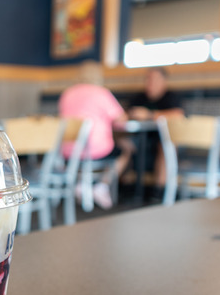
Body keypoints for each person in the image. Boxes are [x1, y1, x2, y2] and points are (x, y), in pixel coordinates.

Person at [59, 61, 134, 209]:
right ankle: (102, 185)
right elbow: (121, 120)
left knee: (89, 151)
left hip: (67, 152)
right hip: (94, 151)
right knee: (126, 149)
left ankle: (82, 184)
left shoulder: (67, 93)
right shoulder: (101, 92)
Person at [127, 67, 185, 197]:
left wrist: (149, 114)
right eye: (148, 79)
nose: (150, 82)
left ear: (164, 81)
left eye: (154, 79)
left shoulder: (171, 97)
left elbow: (178, 115)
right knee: (124, 144)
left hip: (164, 139)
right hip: (140, 138)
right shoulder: (139, 98)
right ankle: (112, 188)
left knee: (166, 145)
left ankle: (159, 192)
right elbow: (126, 115)